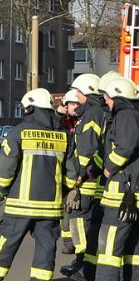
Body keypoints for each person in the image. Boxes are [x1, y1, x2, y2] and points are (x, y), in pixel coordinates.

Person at [0, 88, 70, 281]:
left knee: (8, 241)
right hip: (51, 205)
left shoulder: (18, 132)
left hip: (21, 203)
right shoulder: (64, 135)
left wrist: (4, 190)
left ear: (29, 108)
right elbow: (72, 173)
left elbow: (5, 169)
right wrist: (63, 192)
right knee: (46, 245)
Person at [77, 77, 139, 281]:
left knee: (110, 236)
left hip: (122, 190)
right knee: (132, 238)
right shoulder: (132, 115)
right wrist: (92, 169)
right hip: (132, 188)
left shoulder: (125, 116)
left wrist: (109, 167)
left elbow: (125, 147)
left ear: (118, 97)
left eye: (108, 97)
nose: (105, 100)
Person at [61, 74, 107, 281]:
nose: (76, 96)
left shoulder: (92, 114)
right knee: (85, 222)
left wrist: (78, 177)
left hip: (86, 181)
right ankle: (83, 263)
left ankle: (83, 265)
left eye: (78, 92)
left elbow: (88, 148)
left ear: (87, 93)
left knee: (80, 220)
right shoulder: (96, 112)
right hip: (90, 178)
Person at [58, 88, 82, 255]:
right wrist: (58, 115)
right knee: (66, 209)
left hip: (83, 173)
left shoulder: (86, 120)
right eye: (72, 103)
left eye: (77, 103)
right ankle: (68, 242)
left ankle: (79, 244)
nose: (75, 107)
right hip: (67, 172)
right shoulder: (62, 122)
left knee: (78, 212)